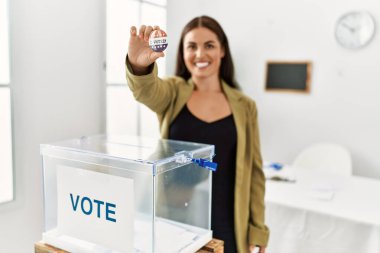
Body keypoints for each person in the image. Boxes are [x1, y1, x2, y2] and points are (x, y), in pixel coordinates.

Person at [125, 15, 269, 253]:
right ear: (182, 53)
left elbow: (254, 171)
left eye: (209, 45)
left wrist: (258, 228)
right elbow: (146, 90)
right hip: (176, 218)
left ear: (222, 50)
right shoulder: (172, 92)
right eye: (191, 46)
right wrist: (139, 65)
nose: (200, 54)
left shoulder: (245, 106)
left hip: (229, 221)